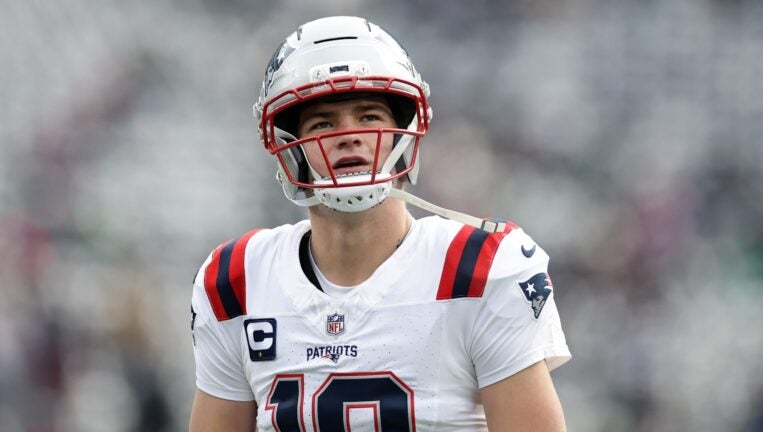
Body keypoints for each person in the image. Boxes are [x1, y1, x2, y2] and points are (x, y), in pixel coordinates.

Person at [189, 16, 571, 431]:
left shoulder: (481, 269)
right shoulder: (238, 280)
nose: (348, 135)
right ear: (287, 146)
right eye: (322, 123)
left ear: (402, 131)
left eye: (369, 116)